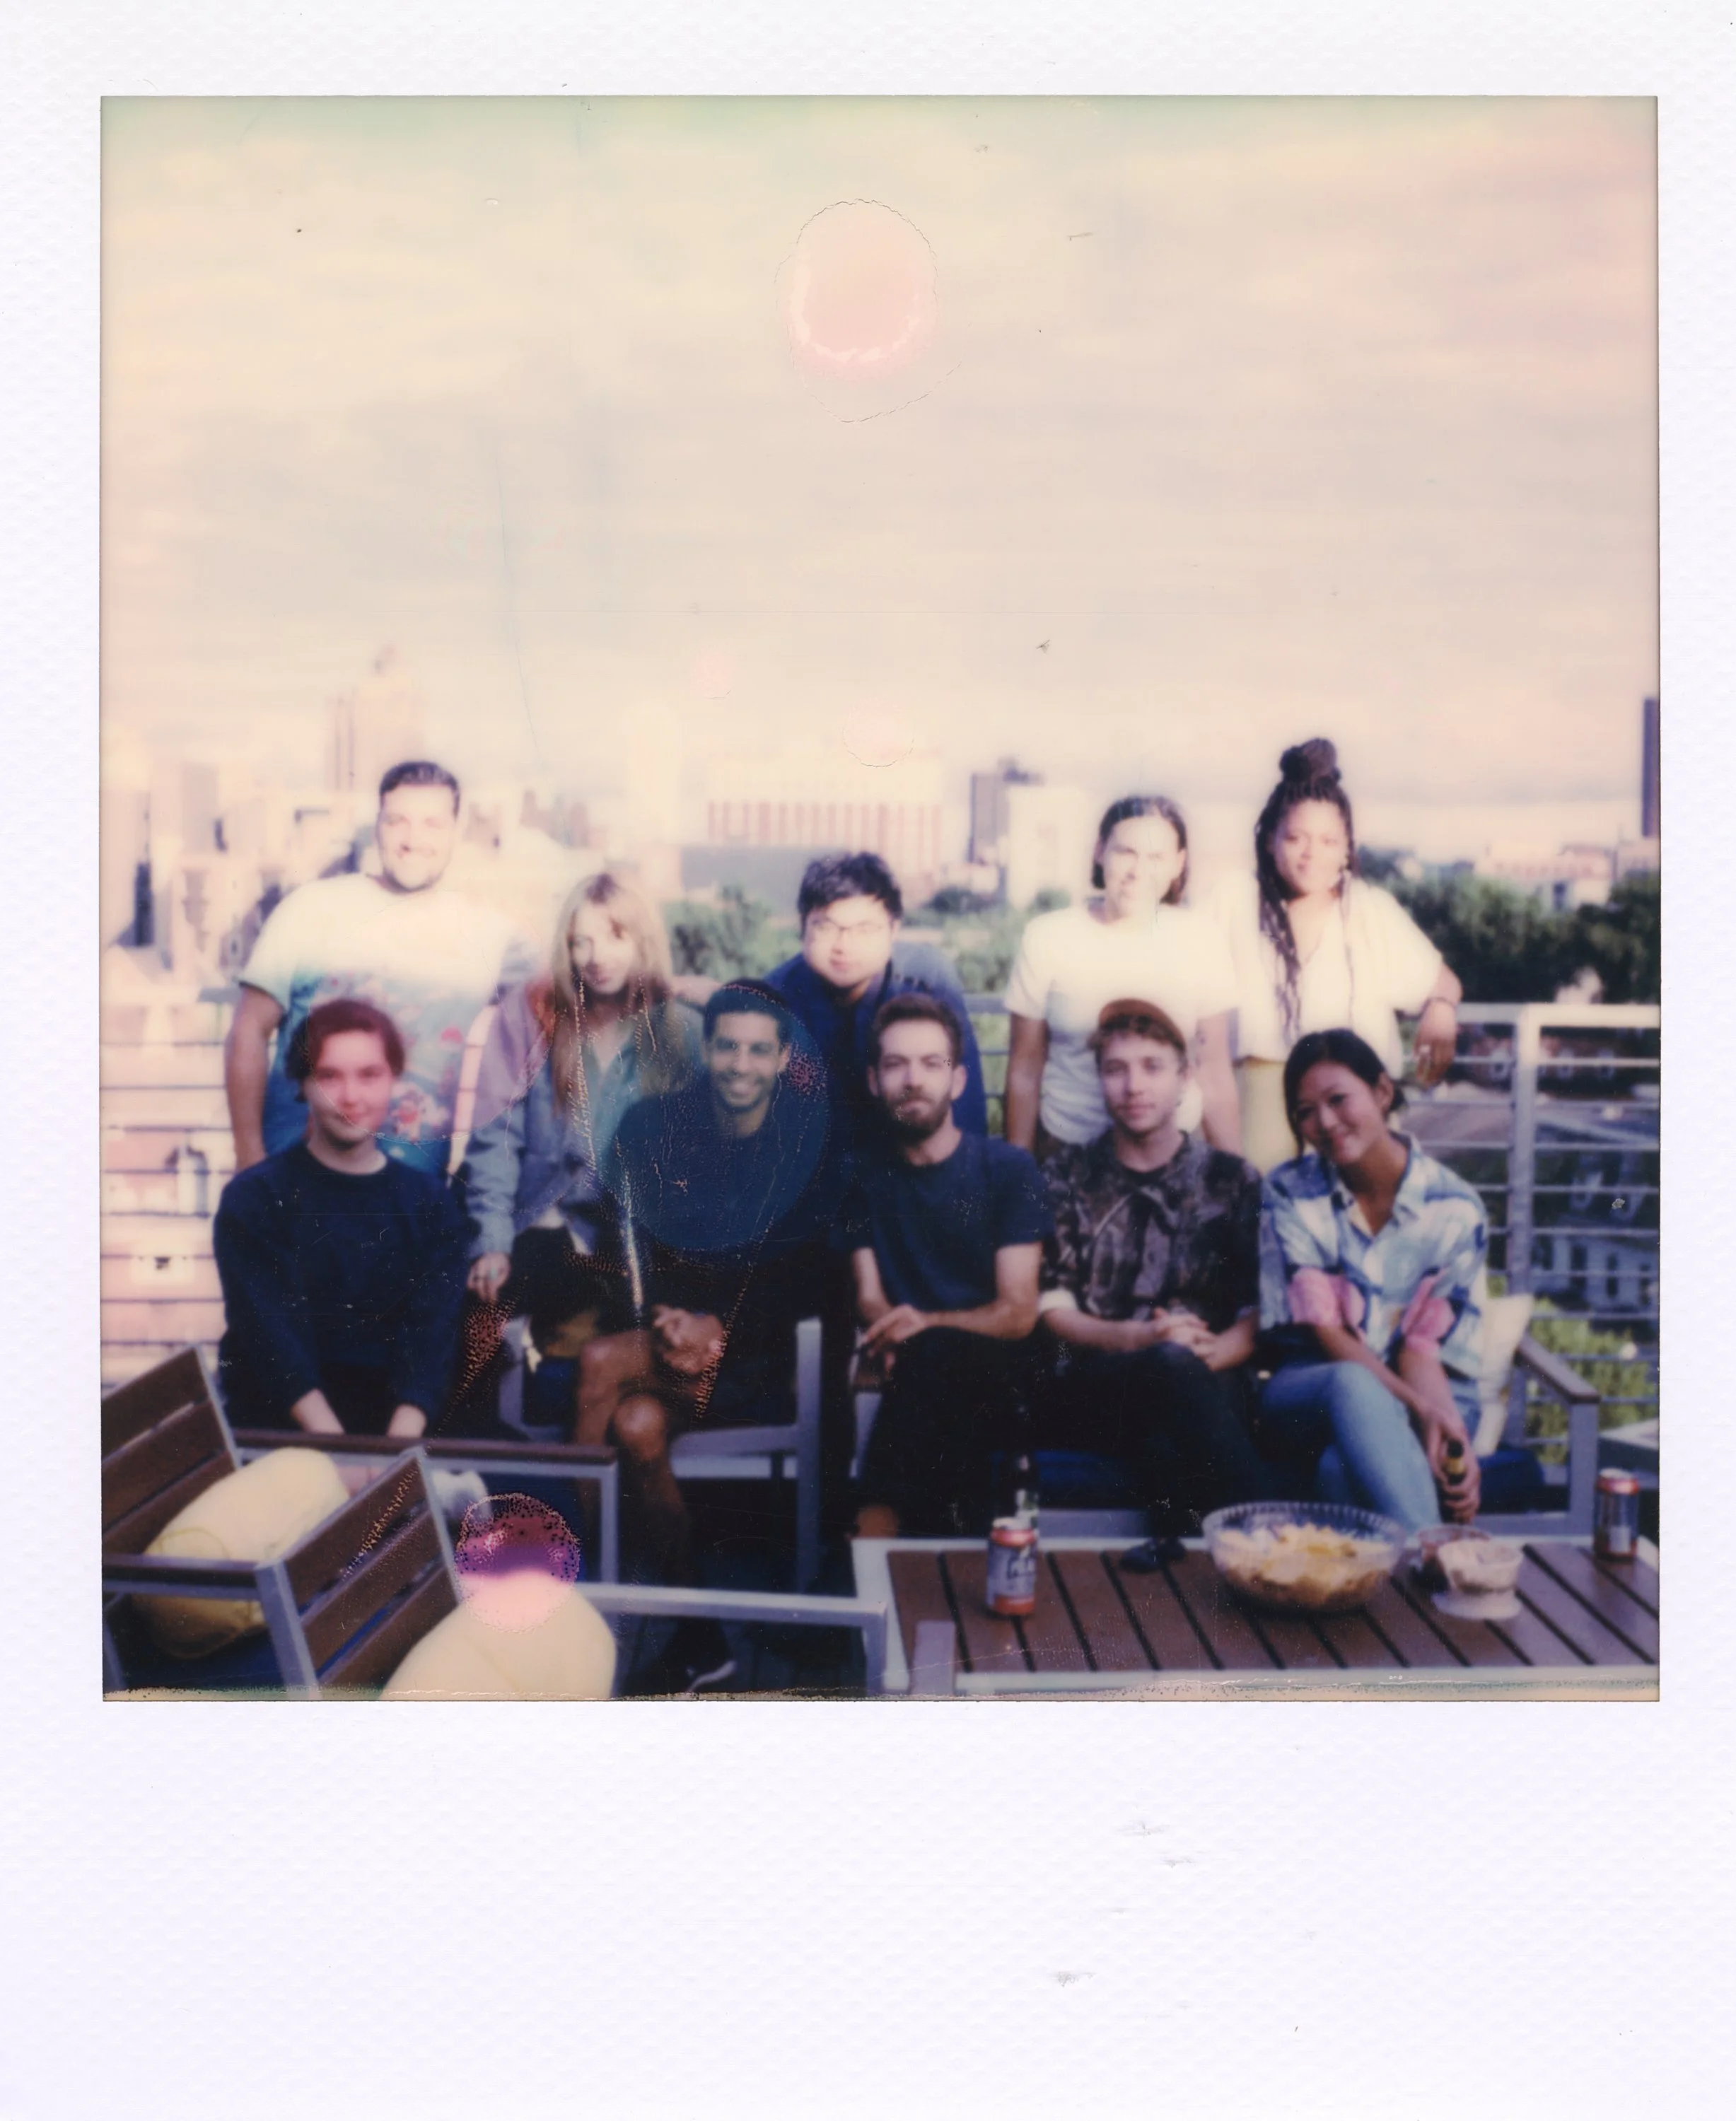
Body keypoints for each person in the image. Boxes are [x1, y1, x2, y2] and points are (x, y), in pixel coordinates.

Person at [573, 983, 829, 1692]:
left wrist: (725, 1329)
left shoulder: (804, 1147)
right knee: (635, 1423)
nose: (739, 1064)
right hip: (666, 1351)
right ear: (705, 1049)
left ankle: (579, 1599)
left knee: (599, 1363)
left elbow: (811, 1284)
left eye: (757, 1049)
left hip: (761, 1368)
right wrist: (666, 1317)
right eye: (726, 1046)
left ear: (781, 1058)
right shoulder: (654, 1128)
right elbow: (623, 1249)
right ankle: (698, 1635)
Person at [224, 759, 531, 1178]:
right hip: (292, 1185)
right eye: (398, 821)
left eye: (432, 824)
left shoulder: (491, 936)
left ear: (456, 832)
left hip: (413, 1202)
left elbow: (571, 1006)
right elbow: (249, 1029)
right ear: (378, 826)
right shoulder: (310, 908)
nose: (413, 838)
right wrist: (249, 1159)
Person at [1038, 1002, 1271, 1535]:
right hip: (1098, 1382)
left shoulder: (1231, 1180)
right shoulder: (1066, 1176)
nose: (1133, 1086)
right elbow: (1051, 1308)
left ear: (1184, 1076)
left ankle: (1173, 1584)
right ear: (1099, 1079)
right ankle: (1266, 1542)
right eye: (1115, 1069)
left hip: (1209, 1373)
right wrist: (1140, 1339)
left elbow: (1264, 1303)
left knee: (1167, 1437)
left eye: (1151, 1067)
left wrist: (1219, 1350)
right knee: (1167, 1372)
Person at [458, 871, 703, 1366]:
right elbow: (494, 1141)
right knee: (469, 1304)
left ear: (643, 940)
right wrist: (492, 1241)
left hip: (634, 1238)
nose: (596, 957)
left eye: (616, 936)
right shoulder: (530, 1014)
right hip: (536, 1220)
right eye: (580, 942)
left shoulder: (684, 1034)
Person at [213, 998, 468, 1463]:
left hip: (398, 1440)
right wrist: (349, 1468)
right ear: (302, 1084)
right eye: (329, 1076)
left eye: (369, 1075)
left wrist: (390, 1466)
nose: (350, 1096)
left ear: (394, 1080)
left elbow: (429, 1348)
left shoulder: (432, 1205)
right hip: (282, 1437)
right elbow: (276, 1351)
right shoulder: (255, 1201)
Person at [1258, 1028, 1485, 1533]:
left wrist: (1446, 1430)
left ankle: (1367, 1607)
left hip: (1426, 1387)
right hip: (1313, 1384)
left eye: (1338, 1099)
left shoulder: (1454, 1209)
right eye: (1305, 1111)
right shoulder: (1288, 1194)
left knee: (1338, 1473)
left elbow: (1420, 1349)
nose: (1325, 1122)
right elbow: (1326, 1333)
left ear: (1382, 1092)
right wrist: (1419, 1413)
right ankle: (1439, 1552)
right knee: (1352, 1381)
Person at [844, 995, 1051, 1540]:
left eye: (931, 1064)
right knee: (929, 1368)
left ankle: (873, 1536)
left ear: (958, 1081)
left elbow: (1018, 1313)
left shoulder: (1006, 1169)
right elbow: (868, 1294)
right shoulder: (860, 1175)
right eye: (896, 1064)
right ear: (873, 1080)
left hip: (1006, 1374)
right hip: (913, 1369)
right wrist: (893, 1332)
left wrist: (923, 1330)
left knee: (935, 1359)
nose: (913, 1080)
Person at [1210, 740, 1464, 1172]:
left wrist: (1440, 1008)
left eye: (1329, 841)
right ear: (1270, 839)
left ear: (1347, 848)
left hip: (1352, 1098)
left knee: (1355, 1219)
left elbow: (1442, 980)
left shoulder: (1369, 909)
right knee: (1266, 1221)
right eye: (1295, 838)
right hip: (1260, 1093)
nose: (1312, 854)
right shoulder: (1235, 901)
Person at [1003, 794, 1240, 1162]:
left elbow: (1214, 1071)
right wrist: (1014, 1173)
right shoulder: (1047, 937)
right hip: (1069, 1148)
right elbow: (1024, 1068)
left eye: (1156, 857)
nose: (1137, 870)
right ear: (1100, 852)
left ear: (1179, 864)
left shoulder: (1204, 940)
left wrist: (1237, 1178)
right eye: (1126, 852)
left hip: (1175, 1151)